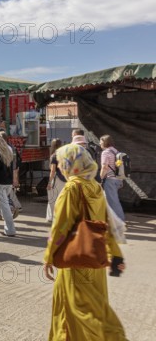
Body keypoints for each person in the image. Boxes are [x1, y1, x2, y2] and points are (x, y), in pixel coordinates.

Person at [43, 143, 126, 340]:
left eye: (63, 163)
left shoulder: (71, 189)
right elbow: (107, 223)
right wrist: (114, 254)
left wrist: (48, 256)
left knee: (77, 312)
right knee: (94, 308)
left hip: (75, 260)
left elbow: (60, 227)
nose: (62, 166)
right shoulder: (96, 187)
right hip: (94, 258)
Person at [99, 135, 125, 221]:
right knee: (113, 200)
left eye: (100, 141)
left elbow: (104, 167)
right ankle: (111, 219)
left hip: (110, 179)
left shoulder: (105, 152)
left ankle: (119, 220)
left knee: (113, 201)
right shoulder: (116, 151)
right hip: (118, 179)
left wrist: (101, 177)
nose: (99, 143)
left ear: (104, 142)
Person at [46, 138, 65, 223]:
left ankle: (51, 217)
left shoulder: (54, 156)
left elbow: (53, 170)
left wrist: (49, 182)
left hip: (56, 178)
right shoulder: (64, 154)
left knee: (52, 198)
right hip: (64, 178)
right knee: (61, 198)